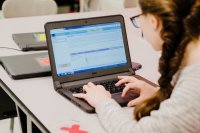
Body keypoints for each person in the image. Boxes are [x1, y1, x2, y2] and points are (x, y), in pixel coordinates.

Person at [73, 0, 200, 132]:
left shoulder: (193, 86)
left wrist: (102, 102)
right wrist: (159, 94)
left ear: (153, 21)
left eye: (138, 18)